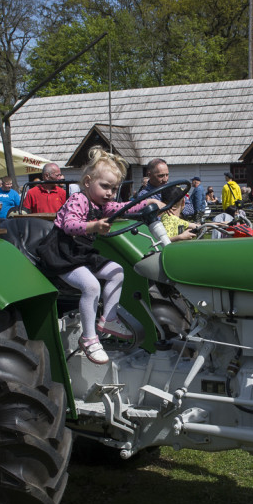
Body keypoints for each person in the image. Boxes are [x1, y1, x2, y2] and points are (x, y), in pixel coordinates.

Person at [35, 147, 160, 364]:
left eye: (113, 188)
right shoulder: (78, 200)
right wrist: (93, 226)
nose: (110, 193)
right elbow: (70, 225)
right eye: (105, 186)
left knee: (117, 271)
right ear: (87, 182)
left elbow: (123, 208)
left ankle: (109, 318)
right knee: (91, 286)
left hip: (80, 253)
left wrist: (148, 203)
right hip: (62, 253)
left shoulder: (102, 205)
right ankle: (89, 338)